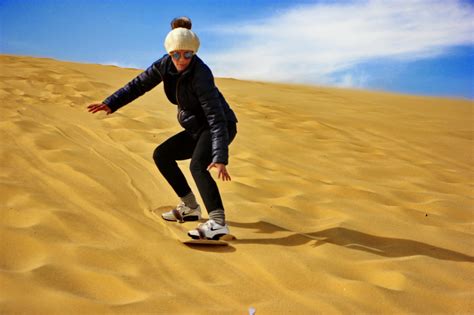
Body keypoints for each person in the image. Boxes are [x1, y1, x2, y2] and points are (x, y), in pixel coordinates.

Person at [87, 17, 238, 240]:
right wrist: (112, 102)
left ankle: (217, 222)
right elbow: (138, 84)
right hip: (197, 127)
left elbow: (215, 117)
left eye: (188, 54)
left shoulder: (201, 74)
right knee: (162, 155)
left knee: (198, 166)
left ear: (194, 53)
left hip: (219, 126)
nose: (182, 59)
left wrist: (220, 155)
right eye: (176, 54)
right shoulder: (163, 65)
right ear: (169, 53)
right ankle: (190, 208)